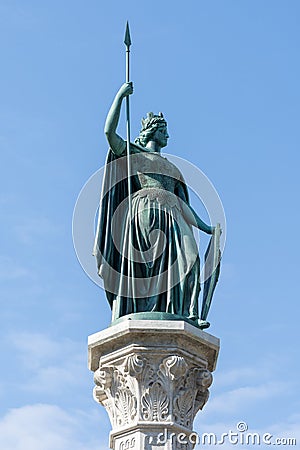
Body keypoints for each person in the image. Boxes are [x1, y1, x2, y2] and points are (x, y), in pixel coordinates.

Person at [93, 82, 215, 324]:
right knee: (147, 265)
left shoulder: (174, 169)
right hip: (145, 210)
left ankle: (190, 313)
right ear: (153, 131)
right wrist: (120, 95)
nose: (168, 135)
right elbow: (109, 133)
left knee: (191, 260)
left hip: (174, 214)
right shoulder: (135, 154)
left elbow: (184, 206)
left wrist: (207, 228)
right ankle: (143, 308)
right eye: (164, 130)